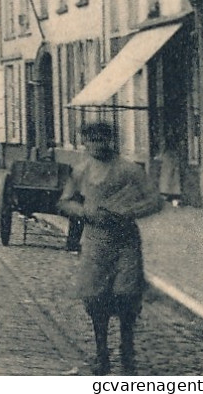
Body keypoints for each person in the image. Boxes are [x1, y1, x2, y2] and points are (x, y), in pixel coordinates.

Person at [58, 120, 163, 375]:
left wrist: (128, 212)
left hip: (125, 240)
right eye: (91, 140)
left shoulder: (129, 170)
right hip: (95, 241)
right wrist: (85, 212)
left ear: (111, 141)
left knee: (126, 295)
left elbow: (155, 200)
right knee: (95, 297)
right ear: (85, 143)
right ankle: (101, 354)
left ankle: (127, 352)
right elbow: (65, 202)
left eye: (101, 140)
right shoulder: (81, 171)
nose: (96, 146)